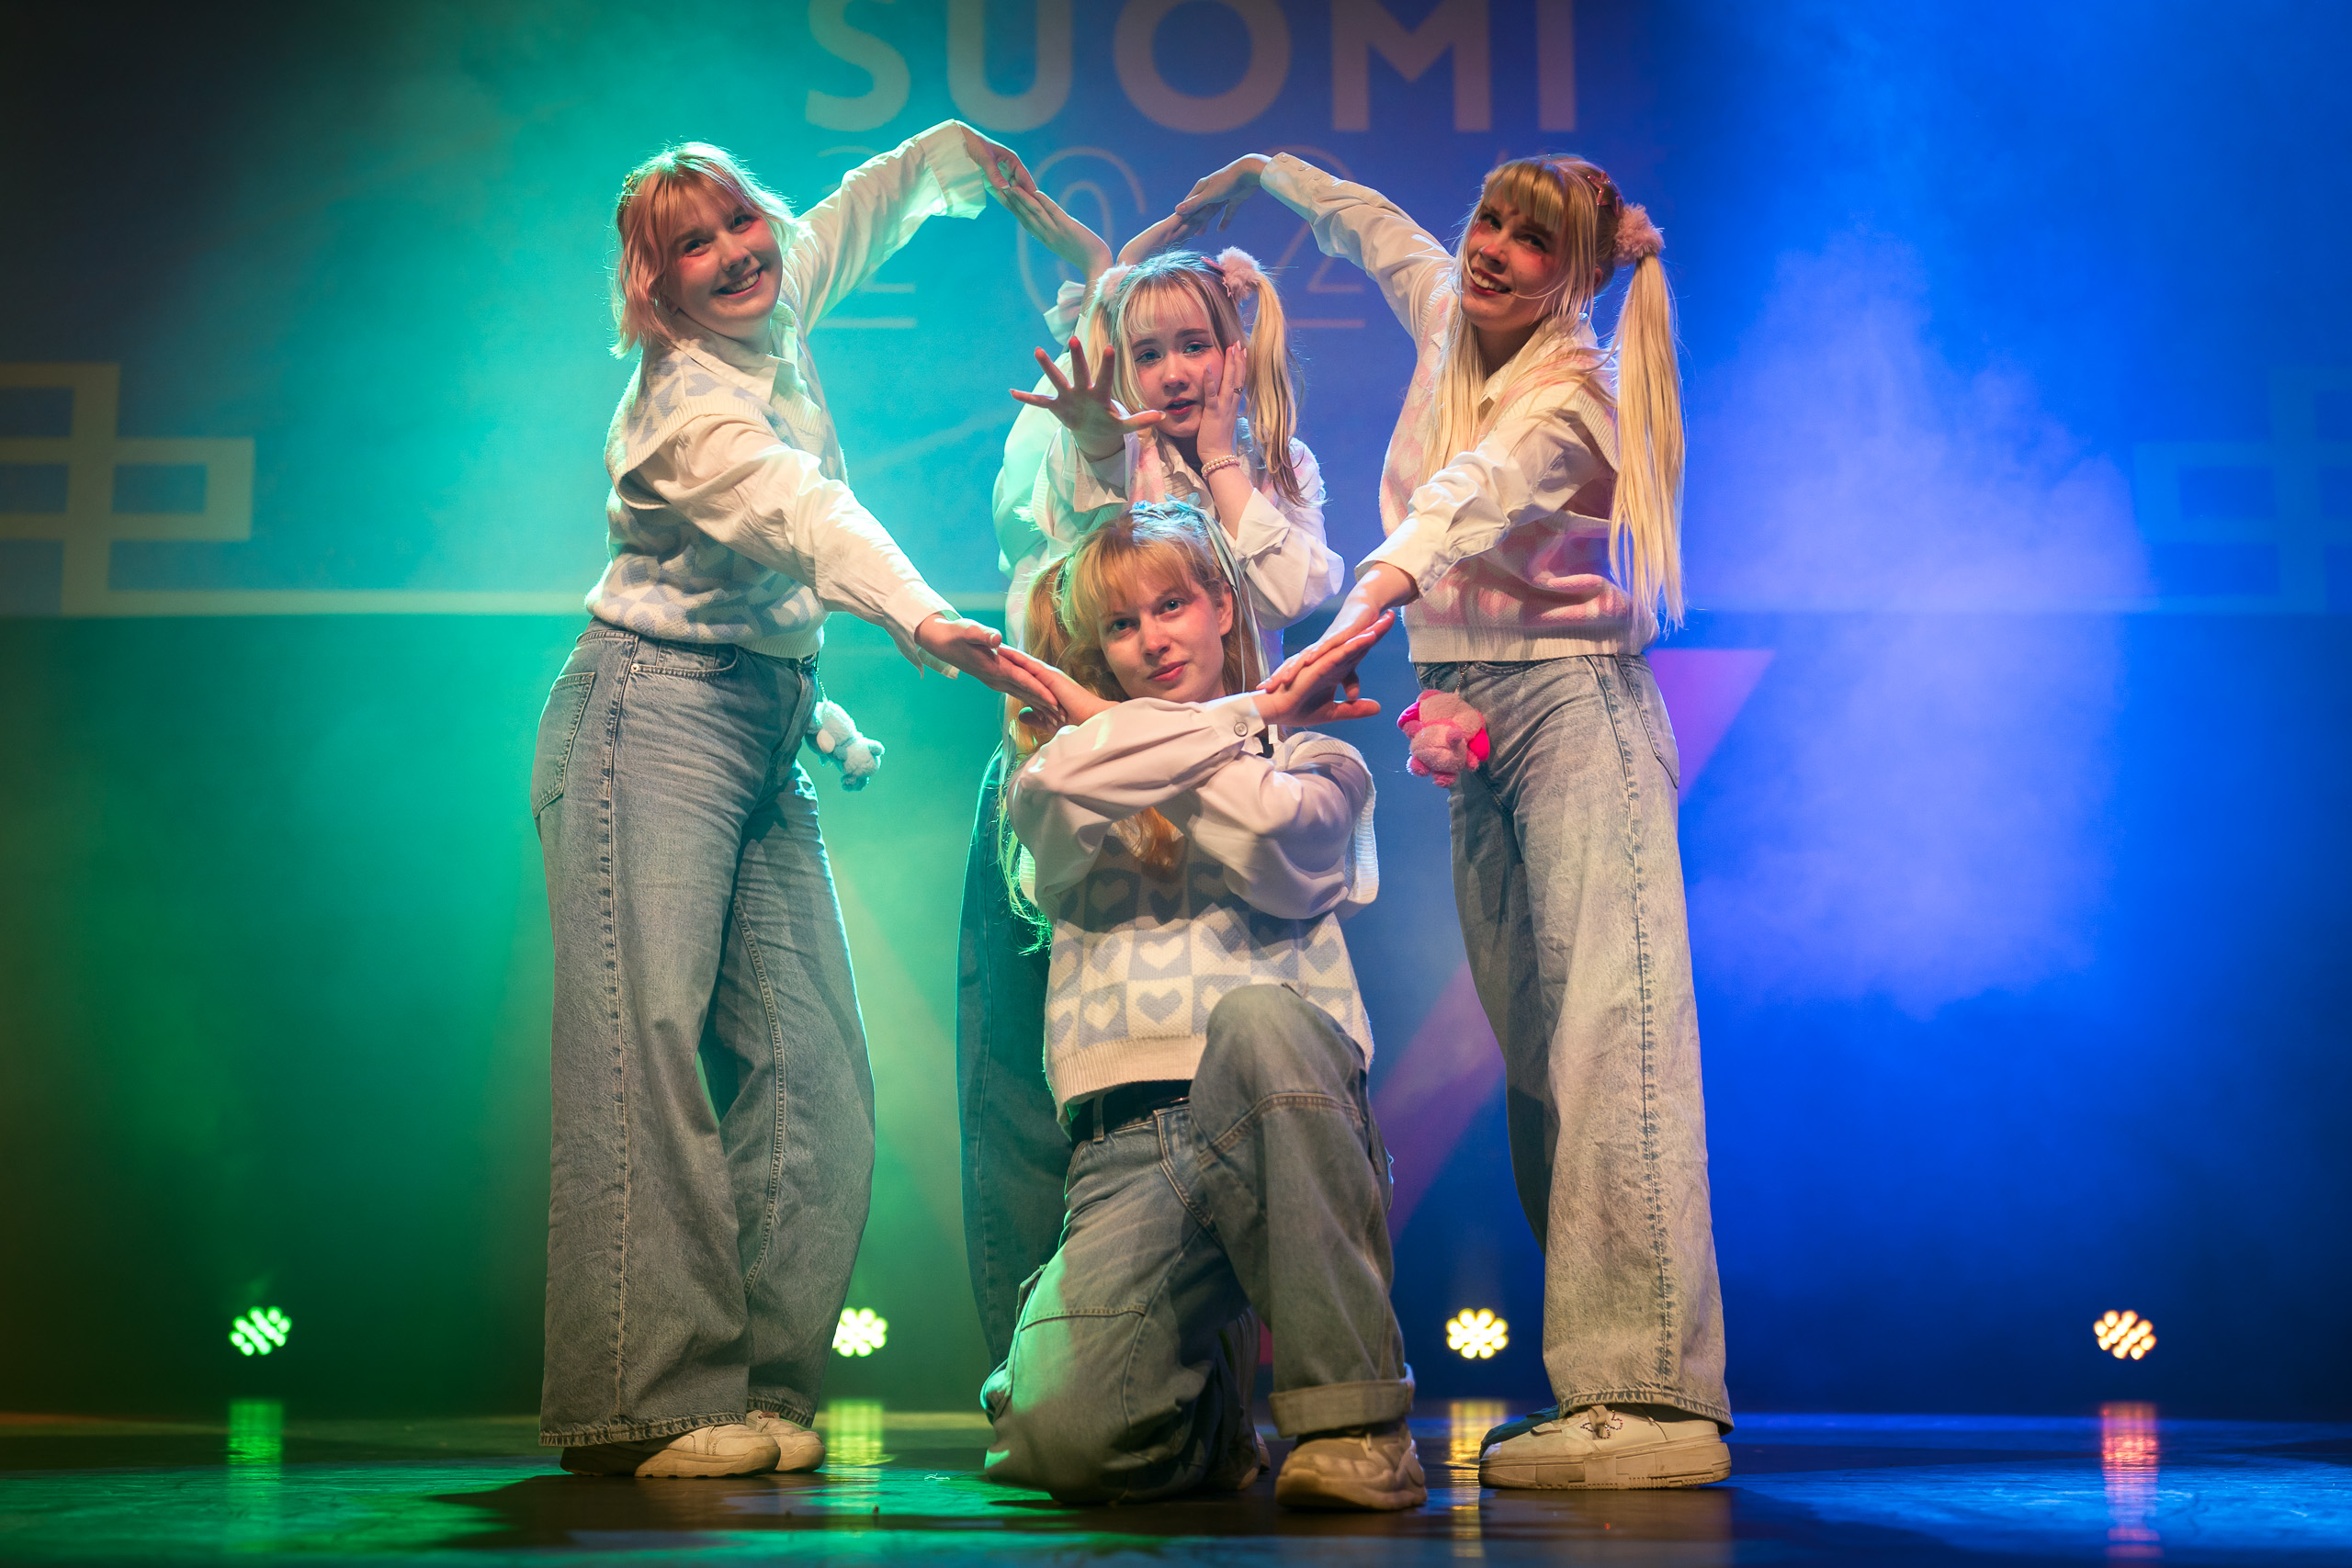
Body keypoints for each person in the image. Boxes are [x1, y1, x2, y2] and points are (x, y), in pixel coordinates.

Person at [1162, 150, 1734, 1490]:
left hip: (1574, 707)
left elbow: (1465, 493)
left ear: (1574, 280)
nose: (1490, 248)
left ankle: (1654, 1392)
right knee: (1540, 1058)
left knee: (1612, 1037)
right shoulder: (1444, 310)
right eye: (1489, 219)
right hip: (1472, 716)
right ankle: (1605, 1387)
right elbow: (1370, 224)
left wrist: (1358, 612)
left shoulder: (1573, 393)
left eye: (1530, 242)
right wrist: (1260, 173)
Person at [533, 125, 1061, 1480]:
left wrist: (960, 160)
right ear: (654, 289)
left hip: (762, 726)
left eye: (738, 224)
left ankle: (763, 1388)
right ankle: (650, 1396)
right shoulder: (685, 408)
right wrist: (924, 615)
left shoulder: (779, 290)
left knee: (818, 1071)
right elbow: (804, 513)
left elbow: (862, 207)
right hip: (650, 716)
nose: (732, 255)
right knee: (646, 1048)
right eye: (690, 247)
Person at [956, 205, 1341, 1366]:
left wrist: (1221, 457)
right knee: (1030, 1077)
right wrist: (1093, 446)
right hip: (1078, 772)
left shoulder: (1272, 465)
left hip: (1223, 757)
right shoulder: (1087, 447)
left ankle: (1215, 1379)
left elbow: (1297, 591)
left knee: (1211, 1065)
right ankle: (1033, 1360)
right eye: (1148, 350)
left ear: (1234, 352)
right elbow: (1083, 582)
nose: (1172, 372)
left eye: (1194, 346)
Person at [978, 502, 1418, 1509]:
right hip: (1129, 1146)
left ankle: (1356, 1430)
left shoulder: (1317, 756)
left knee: (1258, 1017)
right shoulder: (1065, 765)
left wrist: (1189, 733)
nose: (1151, 641)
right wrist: (1251, 709)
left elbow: (1281, 847)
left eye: (1170, 606)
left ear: (1222, 604)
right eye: (1121, 626)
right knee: (1064, 1447)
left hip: (1287, 1122)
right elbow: (1051, 802)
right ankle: (1200, 1405)